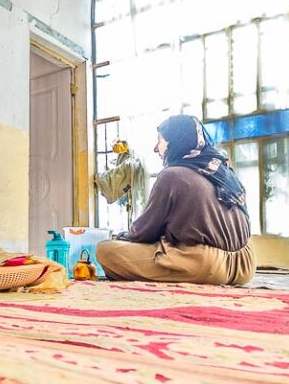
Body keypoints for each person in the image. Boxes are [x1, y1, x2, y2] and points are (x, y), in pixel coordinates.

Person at [96, 114, 255, 285]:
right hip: (245, 263)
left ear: (176, 141)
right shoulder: (223, 169)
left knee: (105, 250)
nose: (156, 148)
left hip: (206, 265)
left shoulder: (172, 175)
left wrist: (120, 237)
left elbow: (143, 232)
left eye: (160, 140)